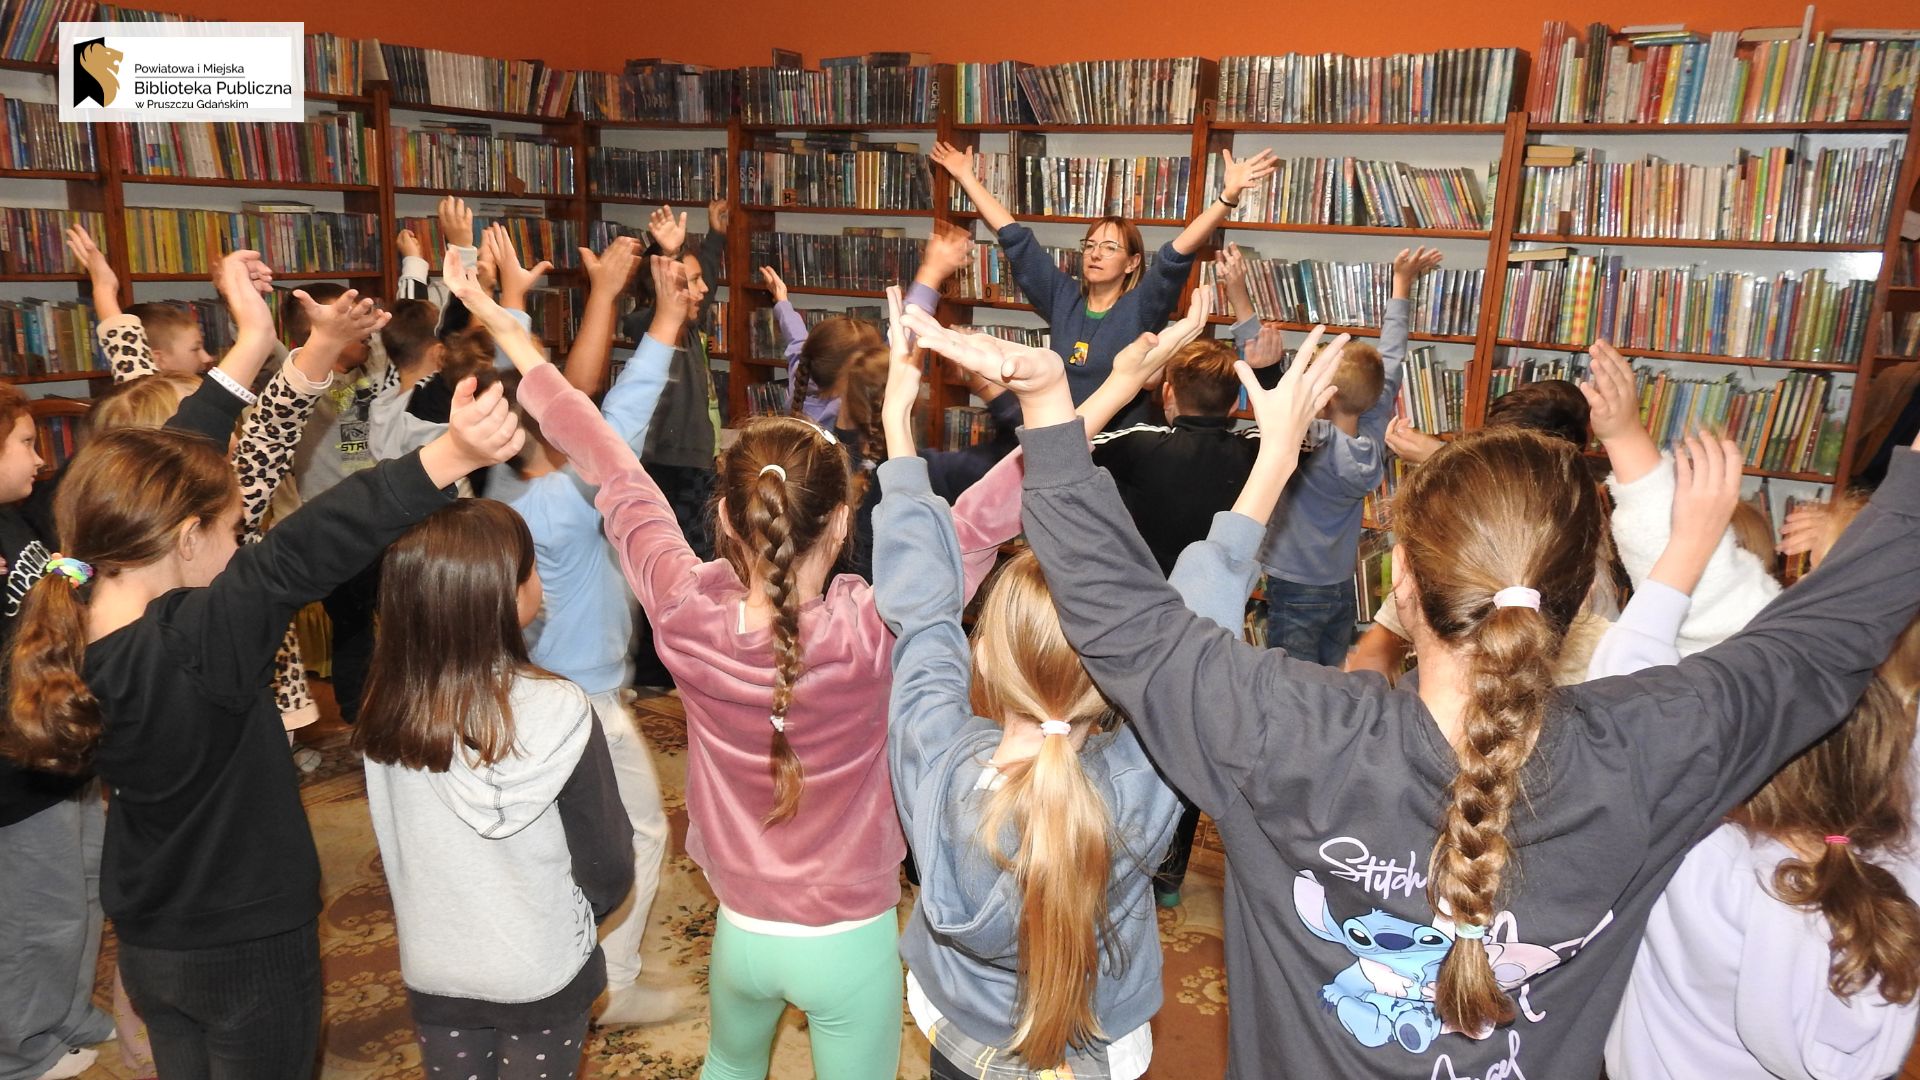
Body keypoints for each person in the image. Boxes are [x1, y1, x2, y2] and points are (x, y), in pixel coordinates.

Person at [917, 294, 1920, 1077]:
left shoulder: (1285, 729)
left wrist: (1052, 410)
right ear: (1580, 596)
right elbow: (1824, 646)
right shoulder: (1659, 745)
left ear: (1401, 579)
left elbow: (1125, 619)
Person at [449, 257, 1024, 1080]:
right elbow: (973, 527)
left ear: (722, 516)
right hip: (849, 939)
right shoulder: (881, 630)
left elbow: (612, 468)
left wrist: (518, 341)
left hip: (741, 931)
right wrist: (1071, 413)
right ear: (845, 523)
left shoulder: (683, 615)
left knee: (727, 1062)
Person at [0, 334, 522, 1079]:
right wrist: (449, 457)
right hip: (246, 947)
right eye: (234, 529)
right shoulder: (193, 644)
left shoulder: (61, 616)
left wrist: (246, 353)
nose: (240, 544)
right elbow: (300, 554)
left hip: (151, 937)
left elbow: (160, 475)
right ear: (185, 539)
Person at [872, 323, 1182, 1078]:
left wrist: (897, 433)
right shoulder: (1150, 768)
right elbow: (1177, 635)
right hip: (1099, 1047)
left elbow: (922, 612)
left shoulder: (938, 754)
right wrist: (1268, 468)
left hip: (962, 1033)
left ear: (985, 653)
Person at [357, 499, 633, 1080]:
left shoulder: (384, 705)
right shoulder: (561, 707)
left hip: (436, 963)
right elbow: (608, 860)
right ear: (507, 596)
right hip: (541, 964)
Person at [495, 237, 678, 1027]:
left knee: (555, 834)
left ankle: (563, 951)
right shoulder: (568, 502)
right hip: (586, 702)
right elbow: (619, 415)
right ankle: (614, 982)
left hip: (540, 688)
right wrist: (666, 317)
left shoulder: (502, 483)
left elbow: (542, 388)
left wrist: (509, 302)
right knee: (641, 833)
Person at [929, 141, 1278, 428]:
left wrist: (1227, 197)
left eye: (1110, 248)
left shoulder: (1142, 305)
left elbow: (1178, 252)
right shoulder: (1063, 297)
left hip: (1119, 455)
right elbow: (1016, 240)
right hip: (1064, 444)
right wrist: (964, 175)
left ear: (1132, 263)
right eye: (1090, 246)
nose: (1095, 254)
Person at [1254, 247, 1440, 667]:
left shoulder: (1312, 439)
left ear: (1323, 397)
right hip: (1339, 584)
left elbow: (1272, 394)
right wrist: (1401, 286)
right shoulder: (1373, 435)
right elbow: (1391, 358)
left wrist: (1246, 313)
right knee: (1330, 674)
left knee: (1290, 678)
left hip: (1294, 583)